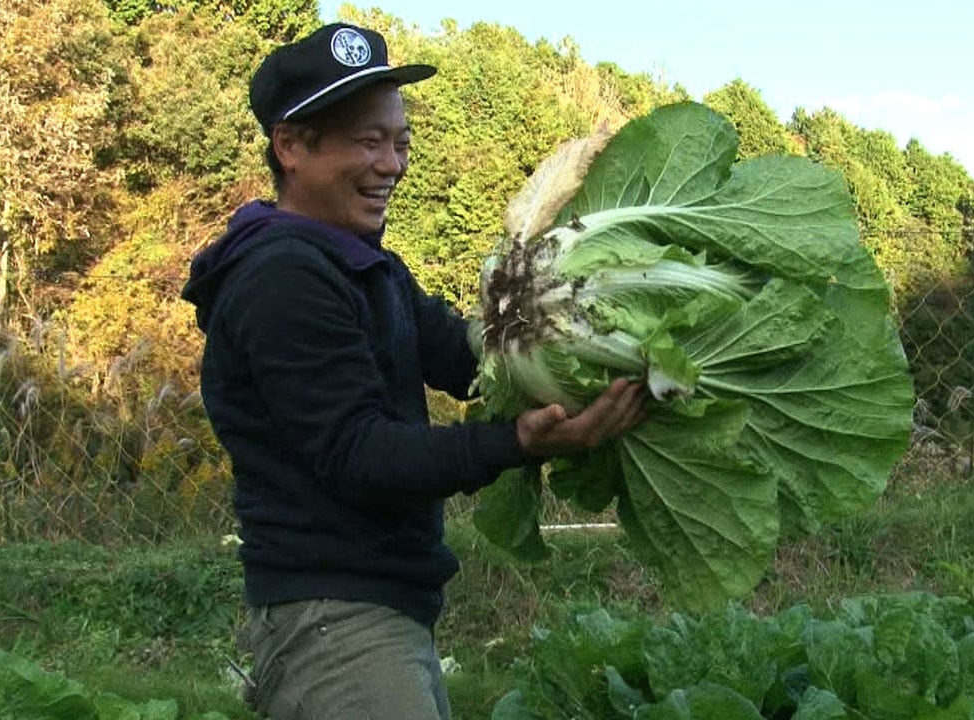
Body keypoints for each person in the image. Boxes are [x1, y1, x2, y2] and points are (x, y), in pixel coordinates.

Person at [179, 21, 646, 720]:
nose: (391, 165)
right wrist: (517, 442)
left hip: (377, 611)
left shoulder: (365, 265)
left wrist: (597, 345)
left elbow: (466, 357)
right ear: (292, 147)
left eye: (400, 143)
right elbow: (358, 452)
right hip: (334, 623)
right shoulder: (283, 276)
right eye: (368, 141)